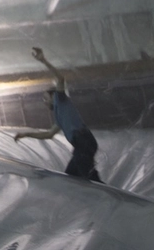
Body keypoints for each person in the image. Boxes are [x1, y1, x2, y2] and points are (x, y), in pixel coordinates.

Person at [13, 47, 102, 182]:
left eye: (45, 98)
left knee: (88, 177)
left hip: (84, 141)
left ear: (53, 95)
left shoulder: (60, 99)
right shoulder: (59, 116)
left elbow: (60, 78)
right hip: (81, 144)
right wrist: (26, 134)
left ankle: (109, 196)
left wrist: (44, 60)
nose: (44, 102)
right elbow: (48, 134)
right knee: (70, 177)